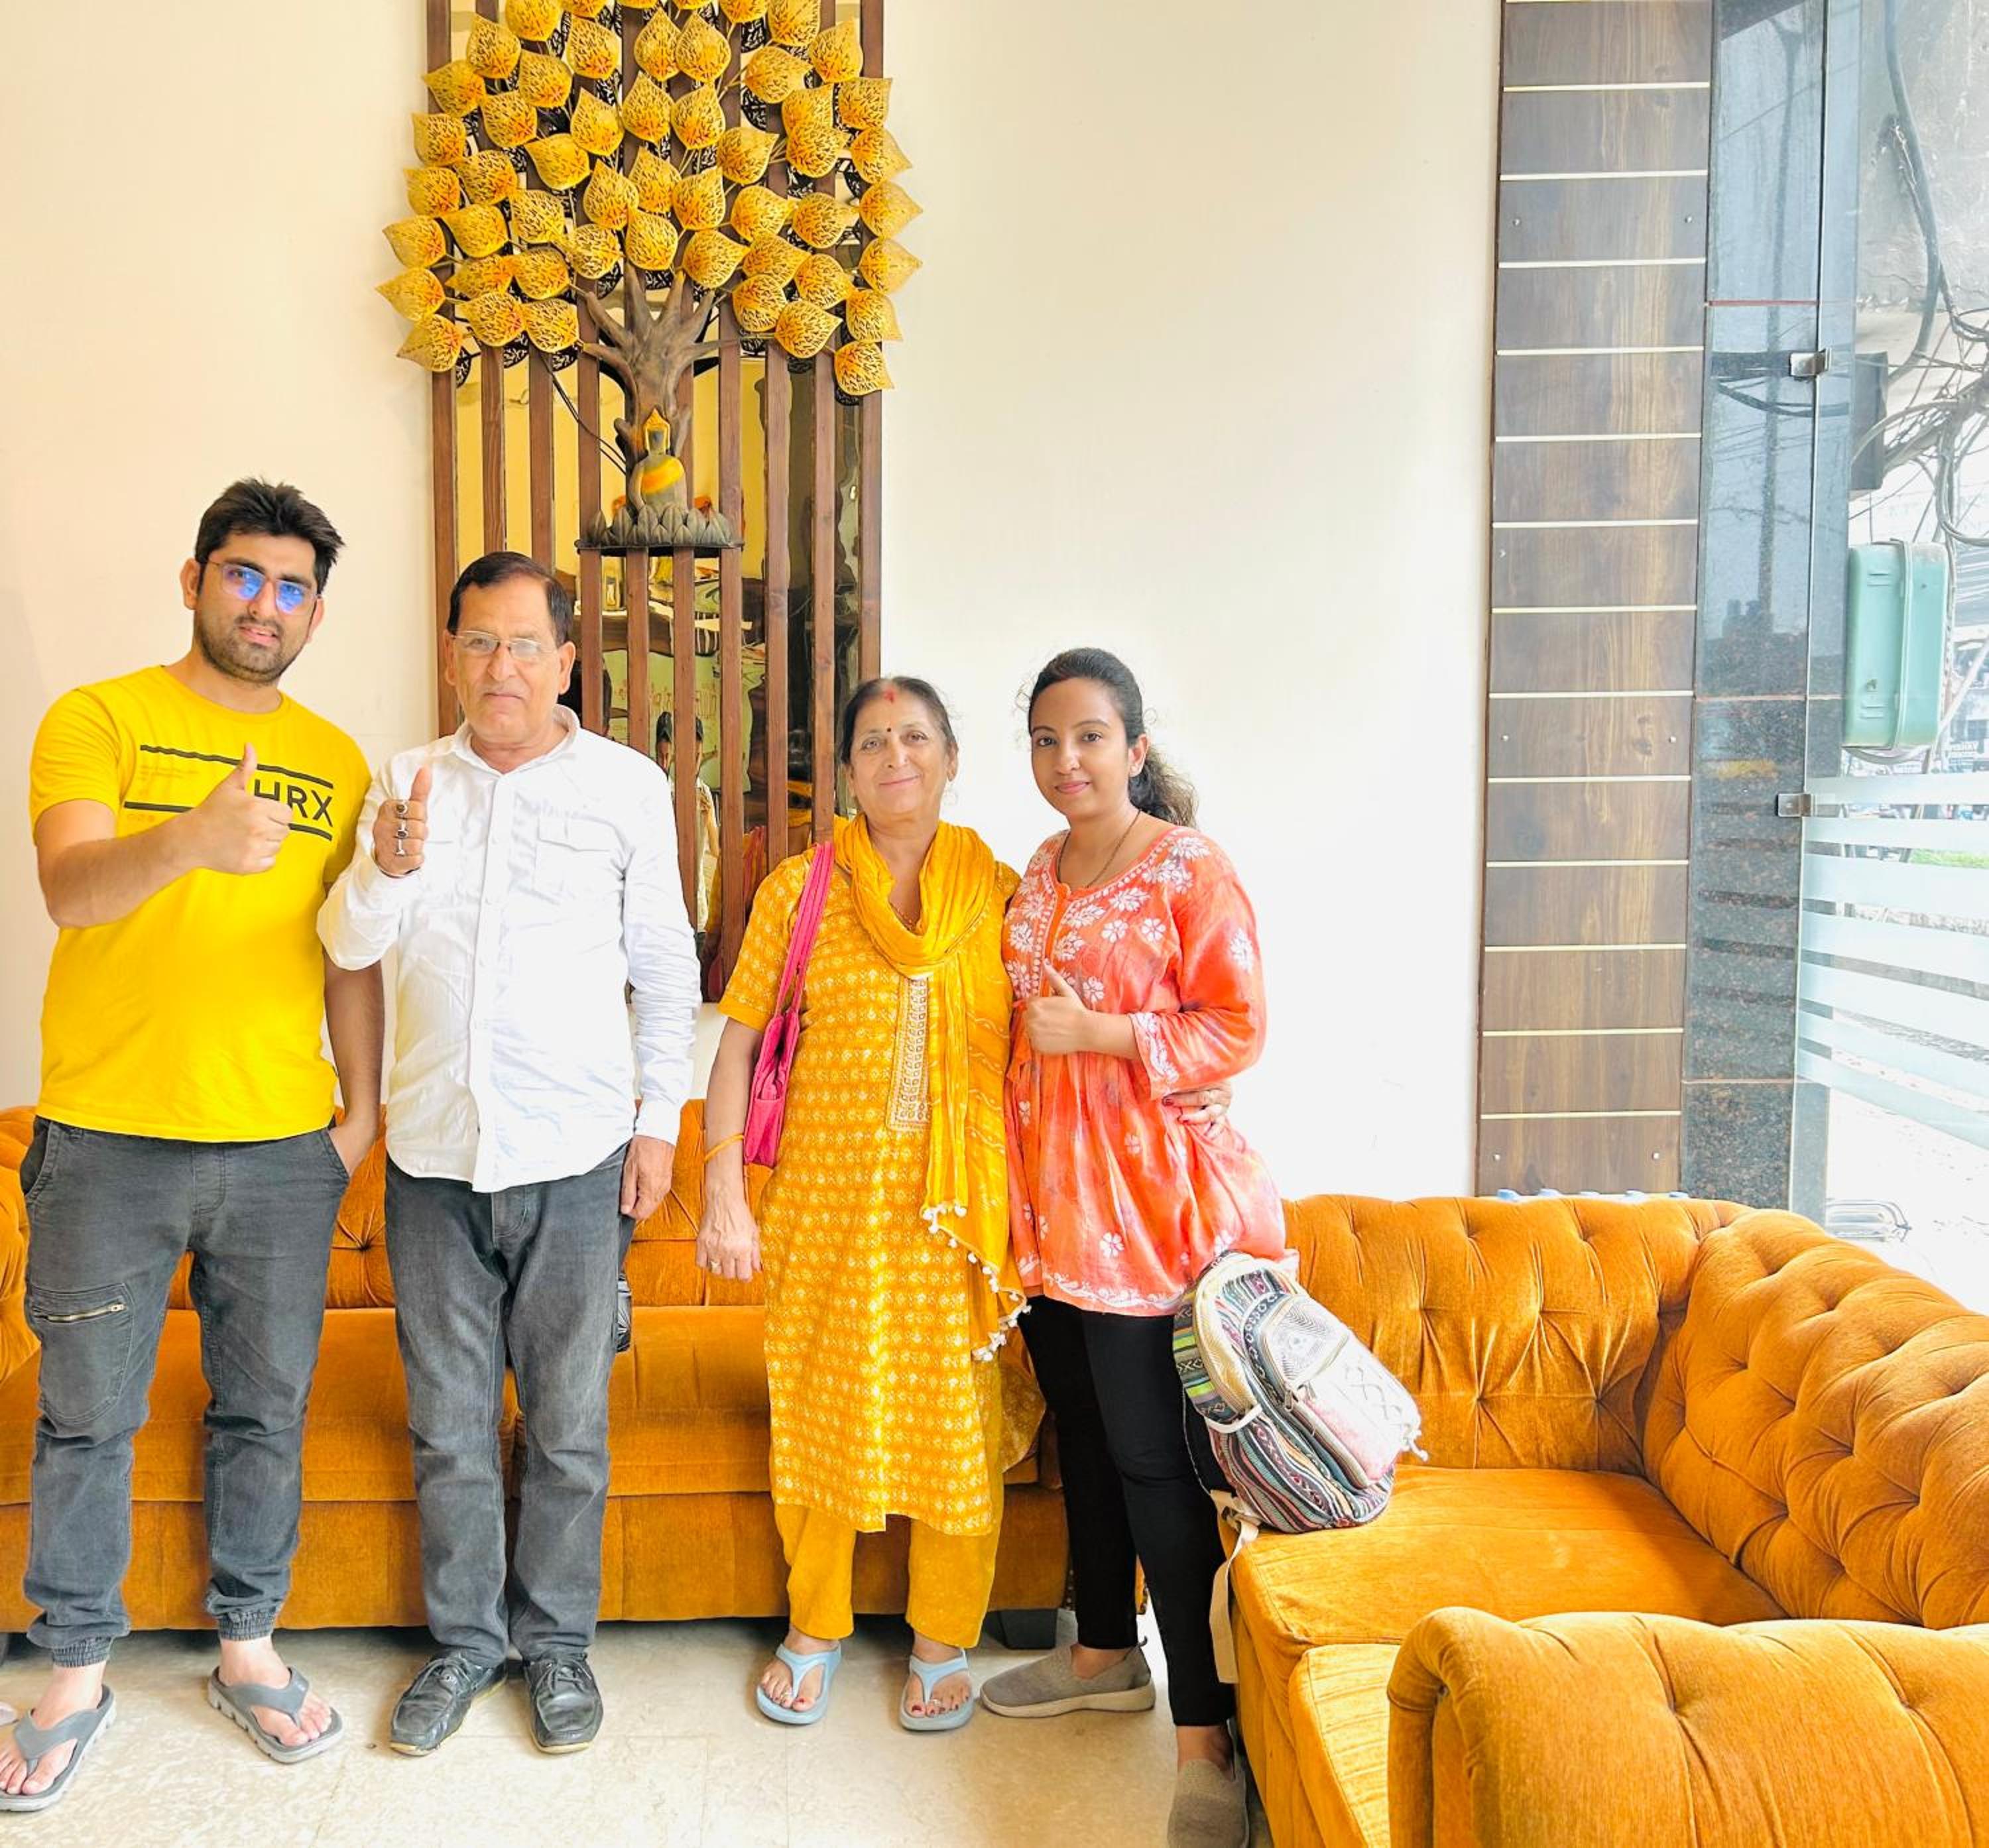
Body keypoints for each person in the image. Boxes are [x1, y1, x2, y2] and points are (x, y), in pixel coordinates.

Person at [695, 675, 1231, 1735]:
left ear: (950, 760)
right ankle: (814, 1626)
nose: (895, 757)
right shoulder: (797, 889)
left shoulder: (1003, 892)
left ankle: (943, 1637)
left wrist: (1192, 1075)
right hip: (824, 1216)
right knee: (820, 1415)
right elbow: (740, 1042)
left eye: (916, 737)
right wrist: (722, 1188)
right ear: (846, 772)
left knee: (954, 1430)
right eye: (872, 742)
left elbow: (1095, 1007)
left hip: (963, 1226)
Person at [1, 481, 377, 1810]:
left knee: (264, 1409)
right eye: (243, 575)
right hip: (108, 1137)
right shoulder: (97, 716)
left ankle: (248, 1643)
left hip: (280, 1146)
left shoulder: (338, 760)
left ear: (315, 613)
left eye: (291, 587)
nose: (264, 604)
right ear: (194, 580)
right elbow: (69, 887)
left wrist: (360, 1114)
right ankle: (74, 1671)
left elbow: (349, 948)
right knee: (88, 1416)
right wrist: (194, 841)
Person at [318, 551, 699, 1758]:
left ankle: (558, 1644)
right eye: (480, 642)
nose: (502, 668)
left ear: (567, 660)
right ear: (451, 655)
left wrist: (660, 1121)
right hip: (434, 1158)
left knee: (568, 1425)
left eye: (526, 644)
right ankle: (466, 1643)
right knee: (448, 1424)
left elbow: (665, 966)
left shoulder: (627, 786)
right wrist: (387, 865)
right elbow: (345, 944)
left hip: (578, 1153)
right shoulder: (405, 781)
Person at [982, 648, 1285, 1848]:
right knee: (1087, 1442)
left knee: (1156, 1465)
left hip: (1144, 1214)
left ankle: (1206, 1741)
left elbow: (1238, 1024)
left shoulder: (1187, 867)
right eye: (1047, 740)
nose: (1067, 760)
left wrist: (1109, 1034)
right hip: (1047, 1213)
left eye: (1090, 736)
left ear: (1136, 748)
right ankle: (1104, 1652)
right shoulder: (1037, 870)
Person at [655, 709, 721, 933]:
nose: (694, 762)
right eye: (662, 756)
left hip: (697, 904)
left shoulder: (703, 792)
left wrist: (707, 815)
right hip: (664, 903)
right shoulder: (663, 790)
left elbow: (715, 849)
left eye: (698, 755)